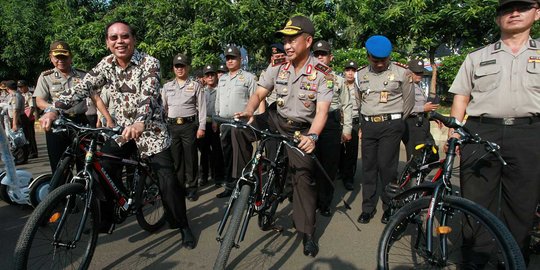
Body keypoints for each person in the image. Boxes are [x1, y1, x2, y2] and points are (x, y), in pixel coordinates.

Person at [40, 21, 196, 248]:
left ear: (133, 39)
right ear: (107, 42)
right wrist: (54, 109)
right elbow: (83, 87)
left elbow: (149, 95)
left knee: (168, 181)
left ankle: (182, 225)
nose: (119, 41)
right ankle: (105, 219)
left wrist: (141, 122)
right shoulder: (105, 64)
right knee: (100, 167)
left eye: (124, 36)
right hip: (121, 131)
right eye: (114, 38)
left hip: (151, 131)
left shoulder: (149, 62)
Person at [448, 0, 540, 263]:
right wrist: (455, 132)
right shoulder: (477, 56)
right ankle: (477, 261)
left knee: (521, 206)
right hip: (480, 133)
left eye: (521, 7)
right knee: (475, 203)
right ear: (498, 18)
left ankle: (512, 259)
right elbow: (461, 98)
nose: (513, 13)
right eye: (506, 9)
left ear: (536, 12)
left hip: (529, 135)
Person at [232, 15, 332, 257]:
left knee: (303, 179)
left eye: (292, 39)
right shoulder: (277, 67)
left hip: (301, 131)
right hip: (276, 121)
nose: (286, 45)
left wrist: (313, 137)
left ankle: (307, 233)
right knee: (240, 130)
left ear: (308, 41)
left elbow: (321, 112)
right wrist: (248, 110)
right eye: (285, 40)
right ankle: (247, 187)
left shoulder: (323, 73)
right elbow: (259, 94)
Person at [355, 35, 414, 224]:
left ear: (389, 57)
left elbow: (409, 102)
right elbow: (359, 101)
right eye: (375, 60)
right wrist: (366, 120)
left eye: (384, 60)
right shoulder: (360, 74)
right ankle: (367, 208)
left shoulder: (402, 73)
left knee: (387, 168)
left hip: (391, 125)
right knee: (369, 167)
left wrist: (395, 121)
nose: (380, 64)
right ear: (368, 56)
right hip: (369, 125)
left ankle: (390, 206)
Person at [33, 41, 90, 172]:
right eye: (57, 57)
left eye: (64, 56)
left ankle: (84, 190)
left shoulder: (83, 75)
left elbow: (96, 98)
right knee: (59, 164)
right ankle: (62, 191)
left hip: (80, 122)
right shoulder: (46, 77)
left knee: (85, 164)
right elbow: (40, 101)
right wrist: (53, 109)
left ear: (71, 57)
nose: (61, 60)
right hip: (58, 123)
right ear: (51, 58)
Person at [312, 40, 353, 217]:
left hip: (331, 124)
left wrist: (347, 129)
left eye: (323, 54)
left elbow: (347, 105)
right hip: (310, 122)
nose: (320, 57)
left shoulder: (339, 80)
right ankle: (310, 201)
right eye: (316, 54)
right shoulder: (306, 77)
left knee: (329, 165)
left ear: (331, 57)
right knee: (310, 165)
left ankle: (325, 202)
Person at [213, 45, 257, 198]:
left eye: (233, 57)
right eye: (227, 58)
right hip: (225, 122)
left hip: (241, 123)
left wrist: (252, 120)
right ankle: (230, 186)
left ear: (240, 59)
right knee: (228, 155)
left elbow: (255, 99)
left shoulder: (249, 77)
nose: (230, 60)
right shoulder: (223, 78)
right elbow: (218, 100)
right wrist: (216, 118)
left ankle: (245, 188)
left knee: (242, 156)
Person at [162, 53, 206, 202]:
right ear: (173, 68)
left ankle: (192, 188)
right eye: (177, 66)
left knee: (191, 158)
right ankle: (180, 187)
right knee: (177, 159)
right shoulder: (167, 86)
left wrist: (202, 127)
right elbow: (163, 108)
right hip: (172, 127)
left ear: (188, 67)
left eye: (182, 66)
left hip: (189, 126)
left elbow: (202, 107)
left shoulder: (195, 85)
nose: (180, 69)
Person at [401, 59, 438, 160]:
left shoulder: (418, 87)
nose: (419, 75)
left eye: (421, 72)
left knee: (431, 152)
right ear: (409, 73)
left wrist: (433, 117)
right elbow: (403, 108)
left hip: (422, 122)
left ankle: (418, 174)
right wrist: (423, 108)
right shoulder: (406, 86)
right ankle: (411, 175)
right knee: (415, 155)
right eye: (416, 73)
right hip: (411, 123)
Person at [197, 64, 225, 187]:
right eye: (207, 75)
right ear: (204, 77)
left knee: (217, 151)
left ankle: (218, 176)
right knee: (204, 151)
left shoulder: (221, 90)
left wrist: (216, 121)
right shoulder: (201, 90)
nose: (210, 77)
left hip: (217, 124)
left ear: (215, 76)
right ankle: (203, 176)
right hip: (204, 124)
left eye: (212, 75)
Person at [338, 60, 360, 191]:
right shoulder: (339, 85)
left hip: (355, 122)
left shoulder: (360, 88)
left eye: (353, 71)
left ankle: (349, 177)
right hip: (339, 121)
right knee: (339, 150)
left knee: (351, 151)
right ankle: (340, 171)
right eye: (347, 70)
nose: (350, 73)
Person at [5, 80, 29, 164]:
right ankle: (22, 157)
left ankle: (21, 158)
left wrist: (14, 123)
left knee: (18, 138)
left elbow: (16, 110)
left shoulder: (15, 96)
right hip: (19, 117)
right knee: (20, 138)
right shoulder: (16, 95)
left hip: (18, 118)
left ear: (8, 89)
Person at [17, 80, 38, 158]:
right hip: (22, 118)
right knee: (25, 136)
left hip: (28, 118)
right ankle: (29, 151)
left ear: (26, 86)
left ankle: (33, 152)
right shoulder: (20, 95)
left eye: (22, 87)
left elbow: (32, 107)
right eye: (19, 87)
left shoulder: (29, 95)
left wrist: (28, 118)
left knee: (30, 136)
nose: (20, 88)